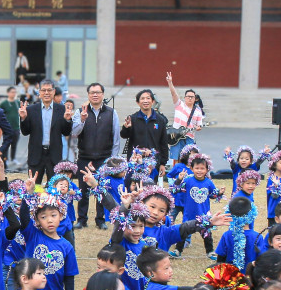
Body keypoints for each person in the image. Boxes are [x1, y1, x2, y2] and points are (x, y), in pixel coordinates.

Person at [71, 83, 121, 229]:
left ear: (103, 95)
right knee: (83, 190)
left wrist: (112, 160)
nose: (95, 95)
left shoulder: (112, 113)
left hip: (104, 158)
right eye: (92, 92)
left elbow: (116, 137)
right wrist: (82, 119)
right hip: (85, 157)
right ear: (88, 95)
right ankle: (82, 219)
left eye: (98, 92)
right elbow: (74, 133)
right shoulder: (80, 111)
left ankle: (100, 220)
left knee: (102, 189)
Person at [19, 79, 73, 183]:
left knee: (54, 186)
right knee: (35, 187)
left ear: (53, 92)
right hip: (36, 154)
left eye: (49, 90)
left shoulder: (62, 109)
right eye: (43, 90)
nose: (46, 93)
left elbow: (66, 132)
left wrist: (67, 120)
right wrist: (23, 118)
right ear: (39, 92)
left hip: (54, 155)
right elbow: (25, 132)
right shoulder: (31, 109)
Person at [120, 89, 169, 179]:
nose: (145, 101)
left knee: (151, 190)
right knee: (134, 189)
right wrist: (126, 128)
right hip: (135, 161)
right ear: (138, 102)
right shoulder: (133, 118)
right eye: (142, 99)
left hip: (153, 162)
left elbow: (163, 143)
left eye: (148, 98)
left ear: (152, 101)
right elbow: (124, 135)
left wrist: (162, 163)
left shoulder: (160, 120)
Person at [165, 71, 203, 163]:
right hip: (176, 136)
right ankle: (175, 176)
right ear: (185, 97)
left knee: (188, 159)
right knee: (175, 158)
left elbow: (199, 125)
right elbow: (173, 94)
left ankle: (186, 176)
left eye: (192, 97)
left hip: (189, 138)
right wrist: (170, 82)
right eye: (188, 96)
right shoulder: (179, 105)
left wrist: (198, 128)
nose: (190, 98)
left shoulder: (198, 111)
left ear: (195, 99)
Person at [0, 86, 21, 165]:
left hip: (16, 127)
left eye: (15, 92)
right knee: (6, 144)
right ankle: (6, 159)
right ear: (8, 93)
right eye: (12, 92)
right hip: (7, 128)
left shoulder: (17, 103)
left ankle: (13, 158)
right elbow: (0, 115)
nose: (13, 94)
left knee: (14, 144)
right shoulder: (4, 104)